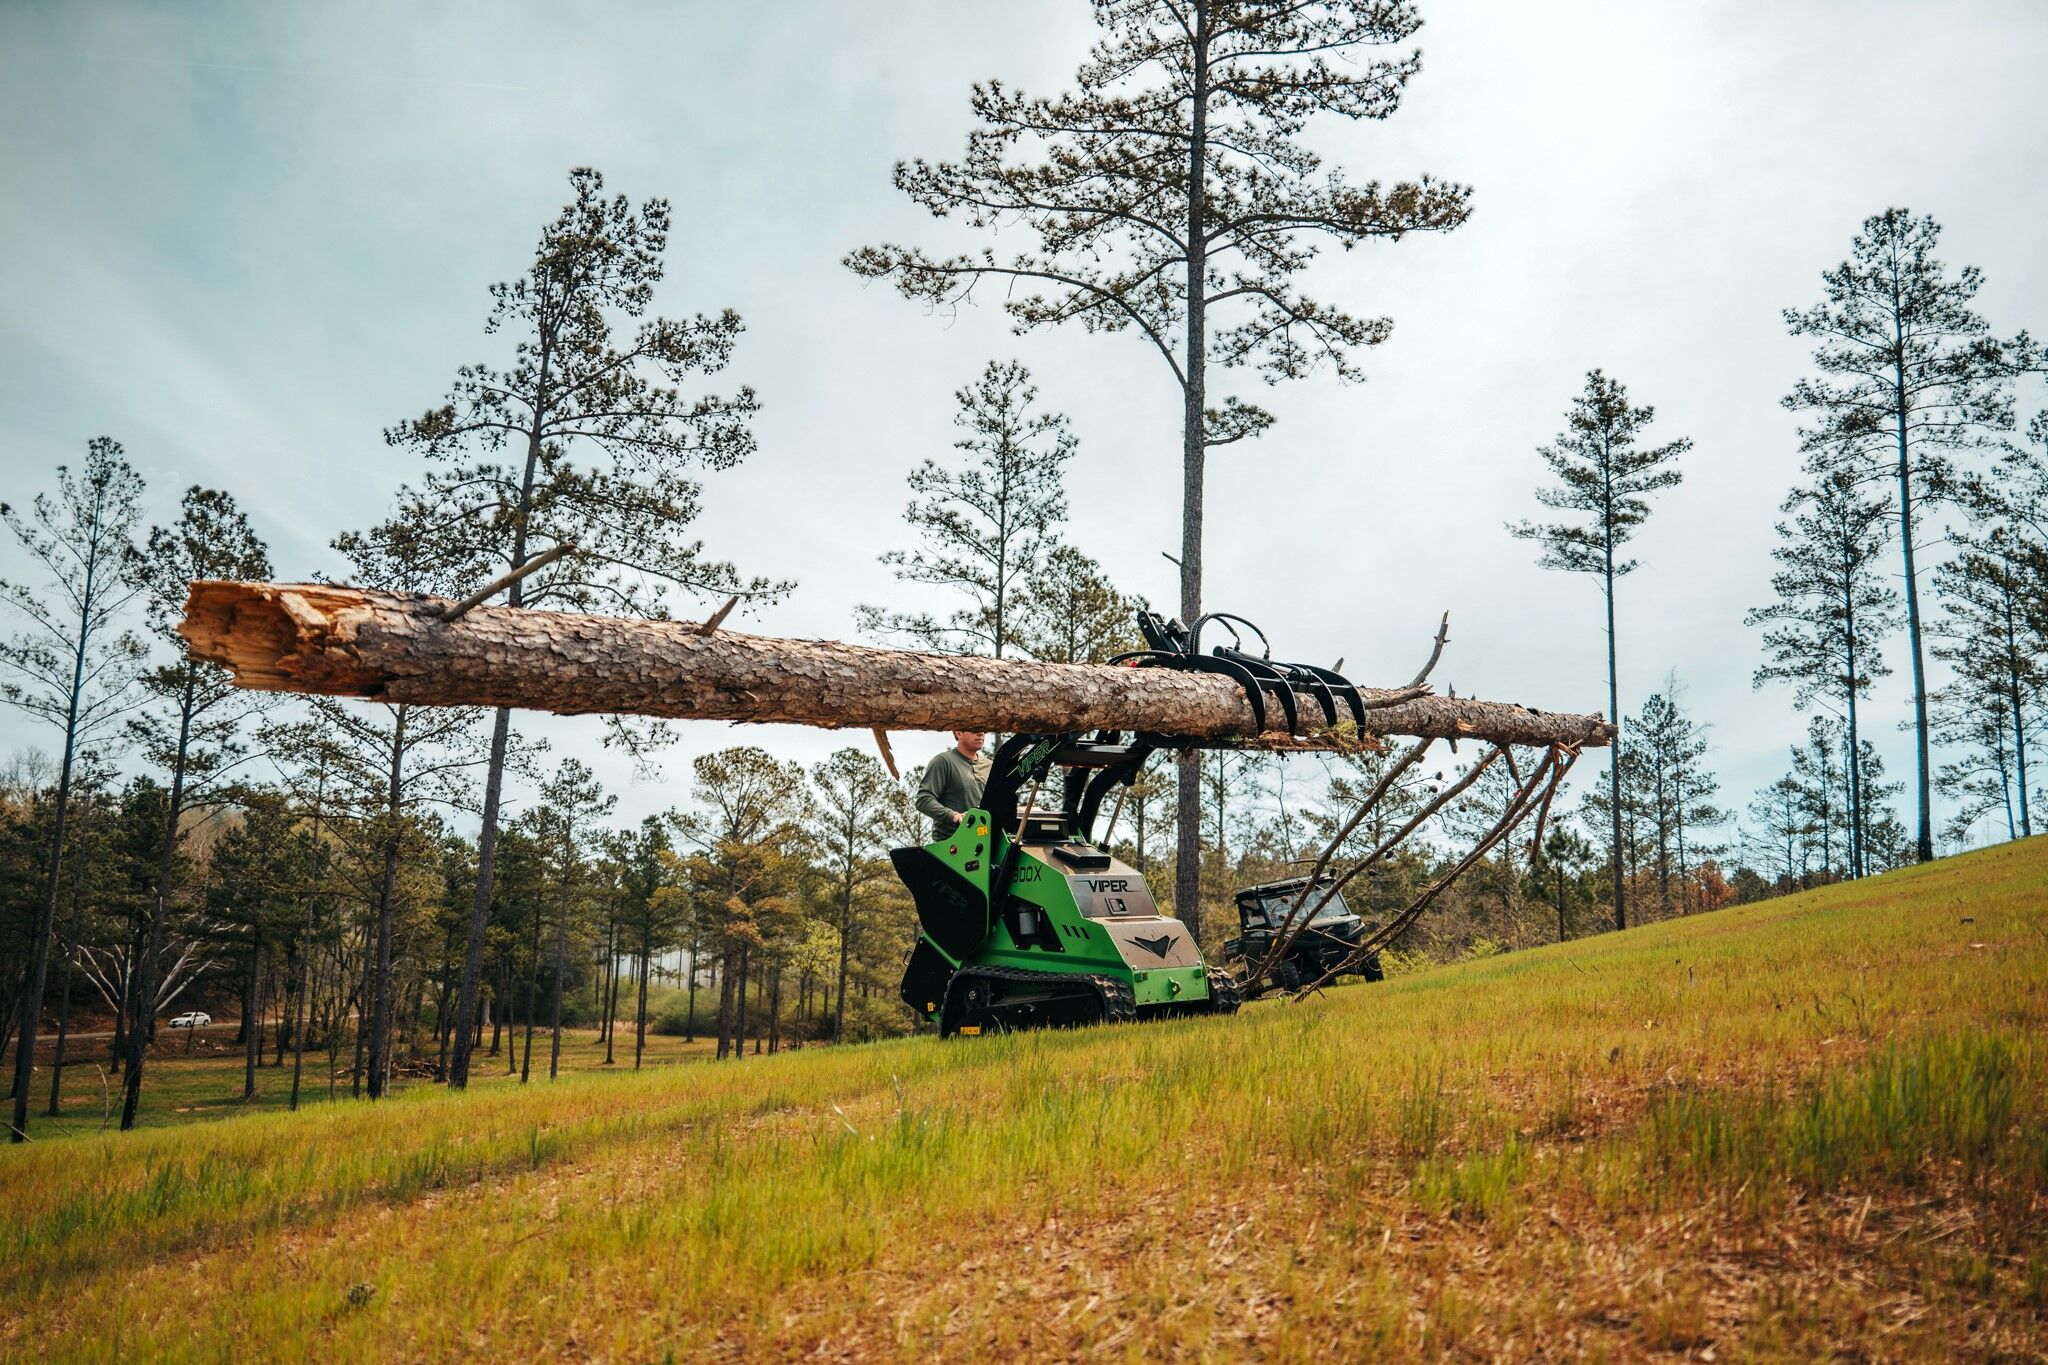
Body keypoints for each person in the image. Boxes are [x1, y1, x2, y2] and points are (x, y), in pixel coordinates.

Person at [915, 730, 991, 840]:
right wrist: (954, 816)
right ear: (958, 733)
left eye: (983, 729)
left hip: (984, 841)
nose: (980, 733)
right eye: (974, 729)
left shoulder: (990, 766)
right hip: (951, 845)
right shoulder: (943, 762)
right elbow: (924, 800)